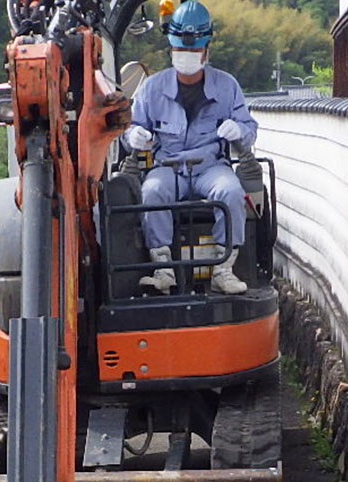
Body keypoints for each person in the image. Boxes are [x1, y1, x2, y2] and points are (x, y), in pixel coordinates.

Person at [122, 0, 258, 295]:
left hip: (211, 166)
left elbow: (249, 132)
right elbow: (130, 129)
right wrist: (133, 135)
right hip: (168, 166)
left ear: (206, 50)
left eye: (194, 50)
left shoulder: (227, 86)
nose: (188, 56)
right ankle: (163, 269)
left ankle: (223, 269)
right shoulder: (152, 88)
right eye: (182, 50)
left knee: (232, 192)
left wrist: (239, 132)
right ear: (171, 49)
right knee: (152, 192)